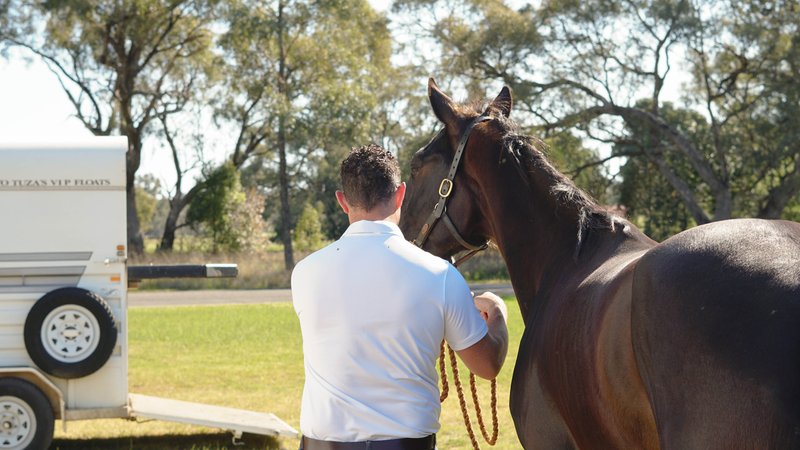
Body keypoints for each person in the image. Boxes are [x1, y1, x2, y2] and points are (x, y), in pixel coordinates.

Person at [291, 144, 509, 450]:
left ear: (343, 201)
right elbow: (488, 365)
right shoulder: (441, 276)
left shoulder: (304, 273)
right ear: (401, 195)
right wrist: (498, 311)